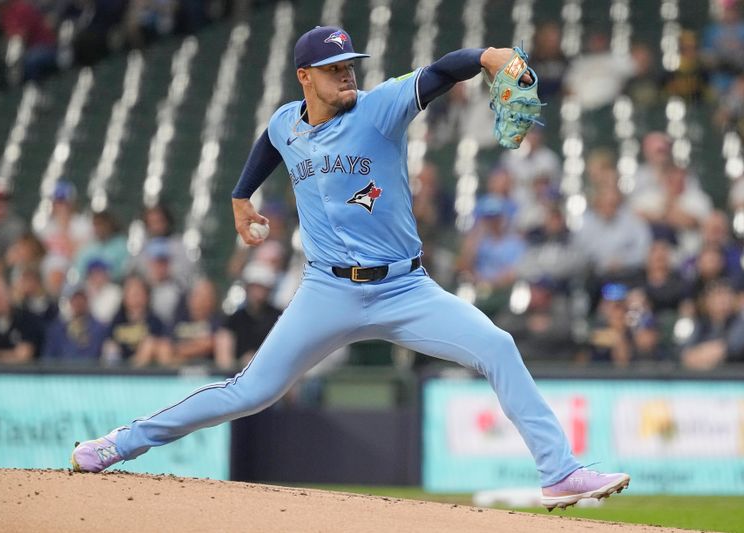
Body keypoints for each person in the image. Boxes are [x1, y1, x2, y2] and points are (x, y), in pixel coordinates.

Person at [71, 26, 629, 509]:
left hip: (405, 288)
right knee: (249, 392)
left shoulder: (379, 108)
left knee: (497, 345)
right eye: (332, 68)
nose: (346, 75)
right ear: (304, 77)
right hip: (327, 291)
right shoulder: (289, 121)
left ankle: (559, 473)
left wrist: (488, 56)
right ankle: (120, 444)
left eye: (349, 65)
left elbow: (440, 72)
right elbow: (270, 141)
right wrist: (241, 197)